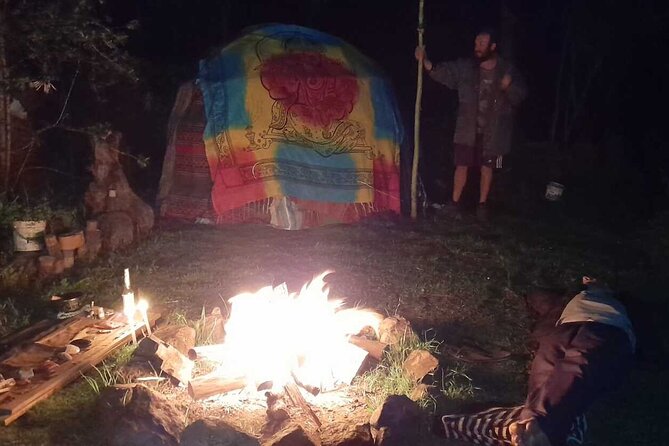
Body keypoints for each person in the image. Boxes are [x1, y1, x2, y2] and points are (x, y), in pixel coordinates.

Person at [510, 277, 636, 446]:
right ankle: (535, 426)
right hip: (577, 327)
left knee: (569, 370)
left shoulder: (610, 301)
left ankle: (537, 427)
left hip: (600, 328)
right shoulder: (586, 297)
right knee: (555, 370)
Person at [415, 29, 527, 219]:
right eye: (476, 43)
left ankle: (482, 206)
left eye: (482, 44)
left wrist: (508, 88)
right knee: (461, 164)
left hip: (494, 131)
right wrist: (426, 63)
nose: (477, 47)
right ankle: (454, 203)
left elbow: (520, 95)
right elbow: (445, 73)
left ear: (493, 46)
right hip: (467, 128)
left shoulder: (506, 70)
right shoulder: (466, 67)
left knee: (487, 168)